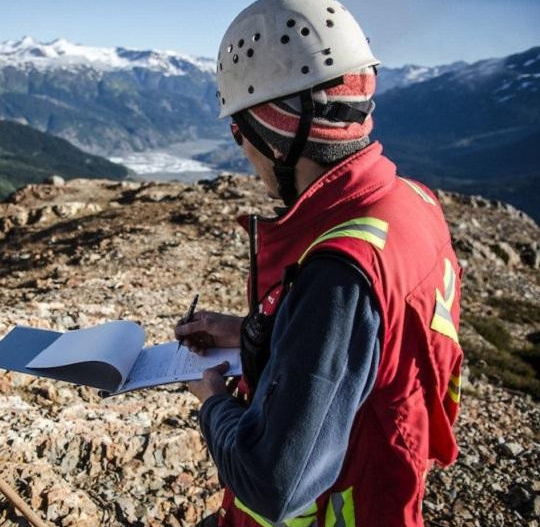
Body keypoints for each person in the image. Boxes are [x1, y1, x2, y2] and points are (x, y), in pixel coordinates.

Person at [174, 1, 463, 526]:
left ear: (273, 131)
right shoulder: (410, 203)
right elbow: (375, 350)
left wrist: (212, 400)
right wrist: (249, 332)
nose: (243, 153)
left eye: (239, 132)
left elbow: (274, 482)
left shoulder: (339, 270)